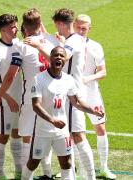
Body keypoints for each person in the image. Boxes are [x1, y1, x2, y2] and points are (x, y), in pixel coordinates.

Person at [25, 8, 96, 180]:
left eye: (56, 25)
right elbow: (61, 49)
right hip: (66, 91)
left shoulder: (75, 40)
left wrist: (38, 45)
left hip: (72, 93)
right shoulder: (72, 39)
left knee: (78, 135)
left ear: (60, 24)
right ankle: (70, 174)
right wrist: (48, 36)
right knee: (67, 137)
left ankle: (90, 176)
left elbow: (59, 58)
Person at [0, 9, 60, 180]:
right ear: (40, 24)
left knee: (27, 137)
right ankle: (47, 174)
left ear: (24, 27)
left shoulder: (21, 46)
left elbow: (10, 75)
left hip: (31, 99)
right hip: (52, 96)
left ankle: (25, 177)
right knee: (46, 134)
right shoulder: (52, 41)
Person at [21, 46, 104, 180]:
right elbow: (36, 106)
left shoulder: (68, 79)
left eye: (61, 56)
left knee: (67, 163)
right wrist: (52, 120)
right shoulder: (39, 79)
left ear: (65, 60)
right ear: (50, 59)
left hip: (61, 131)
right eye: (55, 55)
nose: (58, 58)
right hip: (43, 130)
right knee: (33, 163)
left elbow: (76, 102)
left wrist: (92, 110)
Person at [73, 14, 116, 179]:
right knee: (75, 131)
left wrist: (88, 79)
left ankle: (104, 167)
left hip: (91, 92)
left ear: (89, 28)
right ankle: (76, 170)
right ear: (74, 25)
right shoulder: (68, 44)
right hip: (73, 92)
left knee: (100, 127)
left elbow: (103, 71)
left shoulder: (96, 46)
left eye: (84, 28)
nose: (81, 30)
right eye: (78, 27)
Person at [0, 14, 22, 180]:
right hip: (4, 103)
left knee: (17, 134)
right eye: (12, 27)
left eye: (16, 26)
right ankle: (0, 175)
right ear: (3, 30)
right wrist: (8, 99)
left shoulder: (17, 44)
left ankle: (18, 172)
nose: (16, 29)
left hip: (19, 100)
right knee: (3, 137)